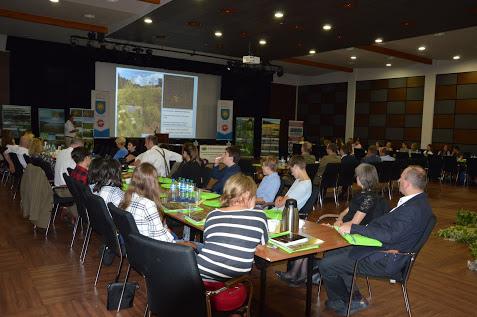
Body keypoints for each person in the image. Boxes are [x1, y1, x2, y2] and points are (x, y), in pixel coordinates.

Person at [319, 166, 433, 315]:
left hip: (385, 258)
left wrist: (355, 228)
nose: (398, 180)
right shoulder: (419, 203)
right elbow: (392, 232)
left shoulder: (412, 209)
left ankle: (345, 302)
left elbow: (390, 235)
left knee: (326, 265)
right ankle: (354, 297)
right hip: (386, 249)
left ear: (406, 183)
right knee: (332, 253)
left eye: (401, 177)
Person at [276, 163, 389, 286]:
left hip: (350, 234)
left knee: (310, 239)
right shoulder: (363, 194)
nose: (355, 177)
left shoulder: (369, 198)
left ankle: (297, 275)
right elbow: (345, 212)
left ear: (362, 178)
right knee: (309, 238)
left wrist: (335, 227)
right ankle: (299, 274)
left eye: (357, 175)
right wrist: (339, 219)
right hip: (344, 229)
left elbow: (354, 223)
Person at [196, 173, 268, 282]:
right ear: (247, 195)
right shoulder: (260, 215)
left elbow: (208, 241)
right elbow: (262, 247)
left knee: (197, 246)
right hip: (231, 281)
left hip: (198, 275)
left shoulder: (213, 214)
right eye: (255, 195)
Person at [119, 162, 174, 242]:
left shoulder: (127, 197)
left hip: (134, 244)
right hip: (152, 248)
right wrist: (167, 231)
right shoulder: (148, 204)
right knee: (197, 246)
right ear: (153, 183)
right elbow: (164, 240)